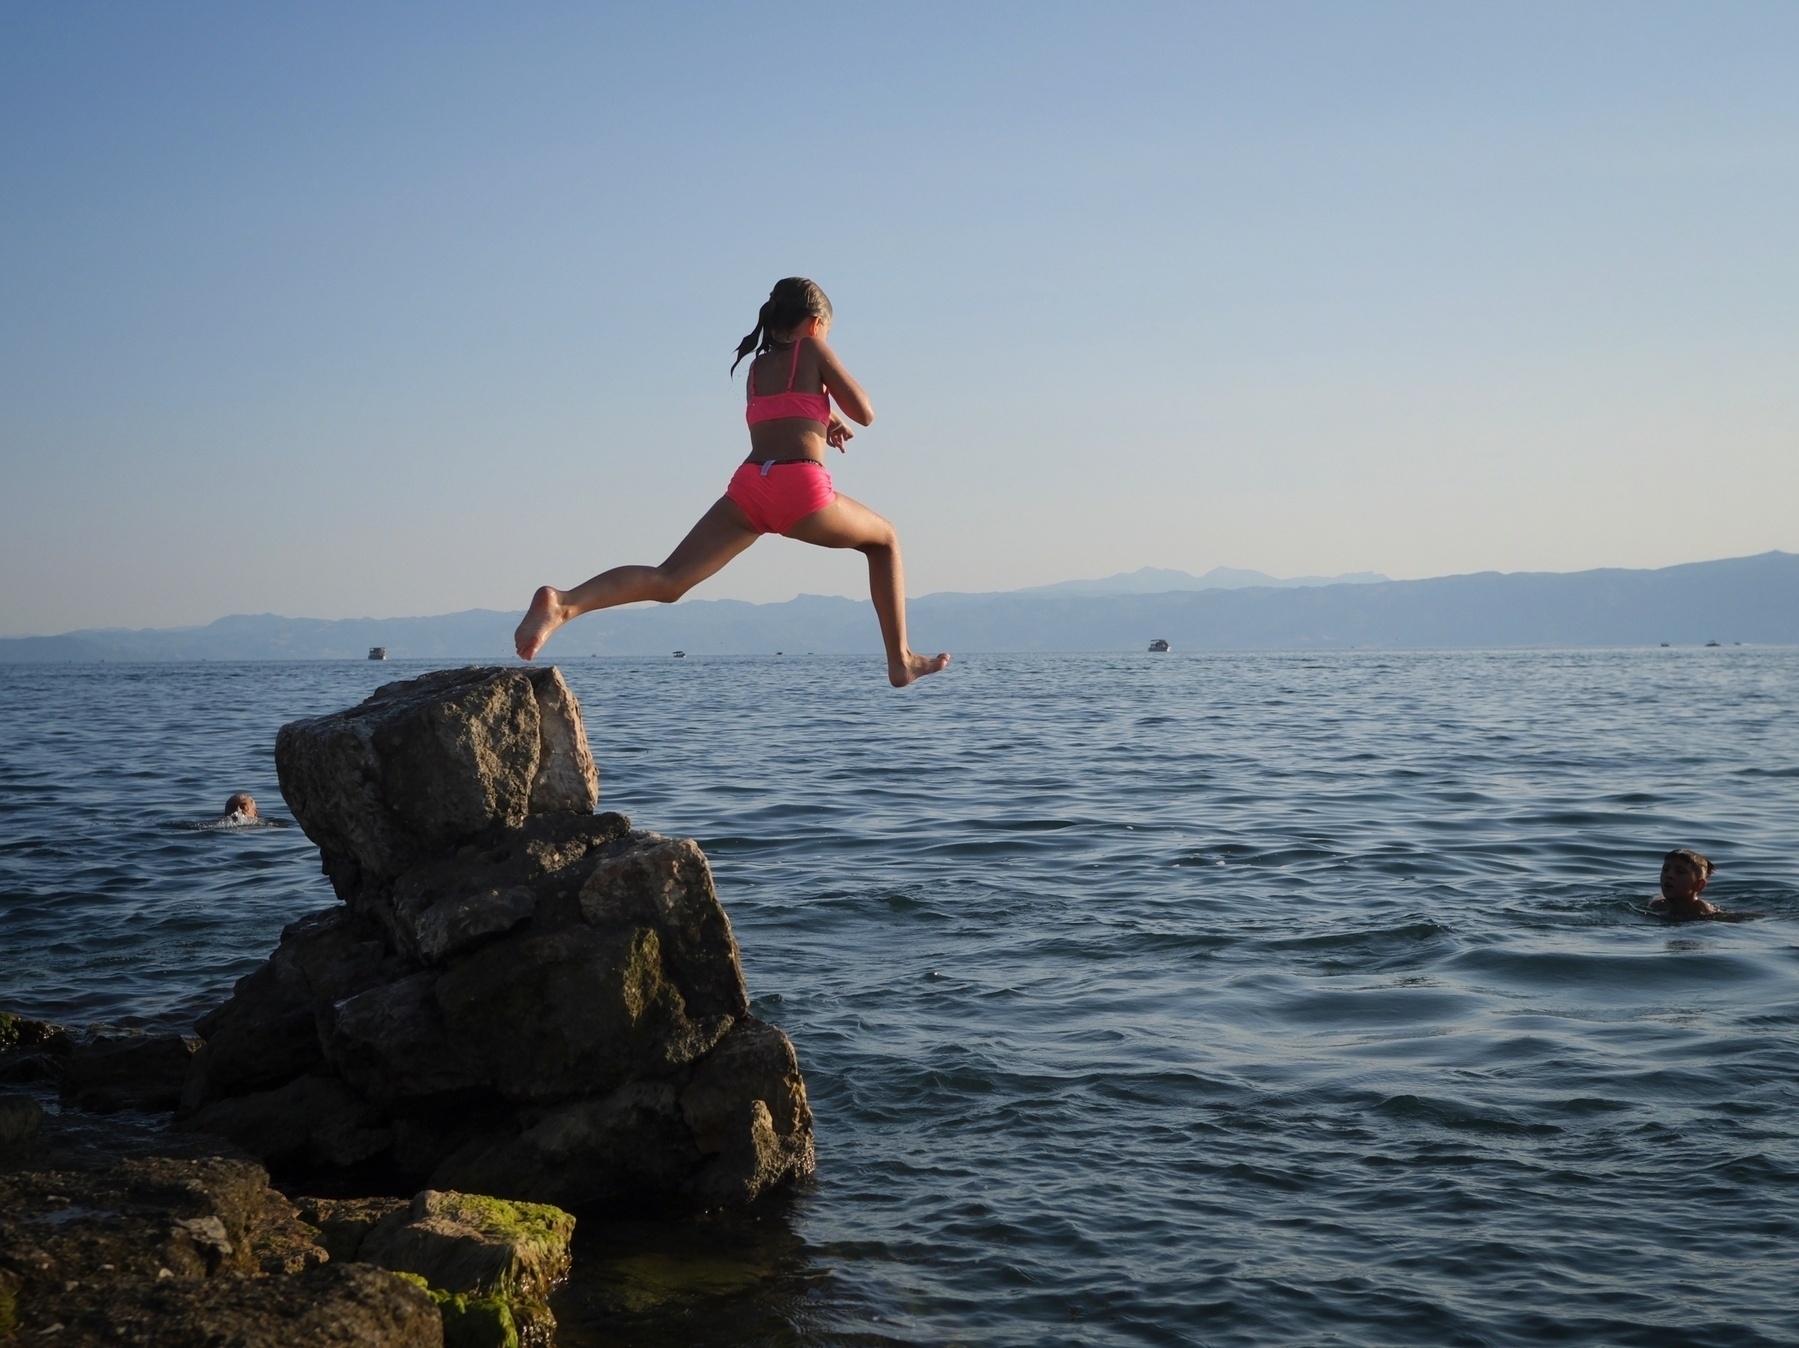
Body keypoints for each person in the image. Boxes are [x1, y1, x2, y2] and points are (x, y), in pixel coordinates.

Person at [514, 278, 950, 687]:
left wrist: (825, 417)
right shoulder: (814, 347)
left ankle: (564, 603)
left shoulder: (757, 369)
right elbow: (865, 412)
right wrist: (836, 402)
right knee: (885, 540)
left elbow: (786, 407)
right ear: (816, 325)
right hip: (800, 488)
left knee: (669, 579)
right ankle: (901, 659)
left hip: (750, 489)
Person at [1647, 847, 1756, 921]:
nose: (1668, 875)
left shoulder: (1703, 911)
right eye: (1665, 869)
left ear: (1699, 885)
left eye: (1680, 871)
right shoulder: (1657, 904)